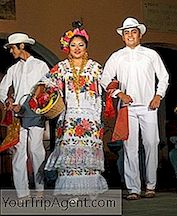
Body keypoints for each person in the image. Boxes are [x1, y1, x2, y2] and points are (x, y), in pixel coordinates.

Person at [100, 17, 169, 200]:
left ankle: (151, 185)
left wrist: (158, 95)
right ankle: (133, 188)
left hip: (148, 106)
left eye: (133, 32)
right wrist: (118, 94)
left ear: (140, 34)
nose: (130, 35)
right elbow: (104, 78)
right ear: (122, 37)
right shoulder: (117, 56)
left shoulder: (150, 54)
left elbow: (163, 77)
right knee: (130, 147)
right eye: (126, 33)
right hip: (127, 108)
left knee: (151, 143)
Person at [42, 22, 108, 198]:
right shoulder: (62, 67)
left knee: (88, 151)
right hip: (70, 116)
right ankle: (71, 190)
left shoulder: (95, 68)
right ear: (67, 47)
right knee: (70, 151)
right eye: (73, 45)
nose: (77, 48)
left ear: (86, 46)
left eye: (81, 45)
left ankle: (90, 189)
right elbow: (46, 84)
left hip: (91, 117)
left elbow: (109, 85)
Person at [0, 33, 49, 199]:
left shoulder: (41, 66)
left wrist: (38, 101)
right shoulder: (13, 69)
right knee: (19, 153)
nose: (10, 51)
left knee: (36, 151)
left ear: (22, 46)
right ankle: (22, 193)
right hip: (17, 116)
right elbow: (2, 89)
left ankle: (40, 189)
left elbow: (48, 87)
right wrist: (8, 100)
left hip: (35, 114)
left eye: (12, 47)